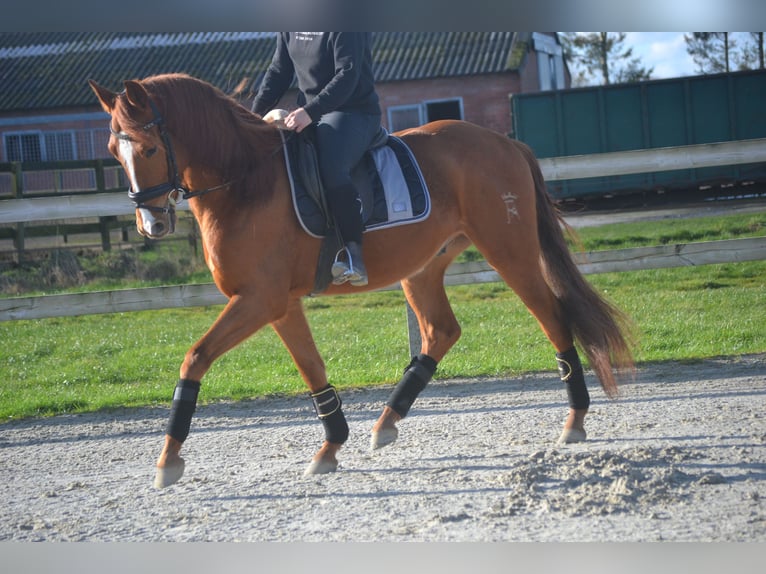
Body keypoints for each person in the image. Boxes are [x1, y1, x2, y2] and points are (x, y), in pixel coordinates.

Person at [252, 32, 382, 287]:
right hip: (309, 112)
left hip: (352, 111)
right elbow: (279, 72)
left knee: (331, 168)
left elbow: (348, 74)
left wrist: (310, 112)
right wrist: (251, 119)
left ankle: (353, 253)